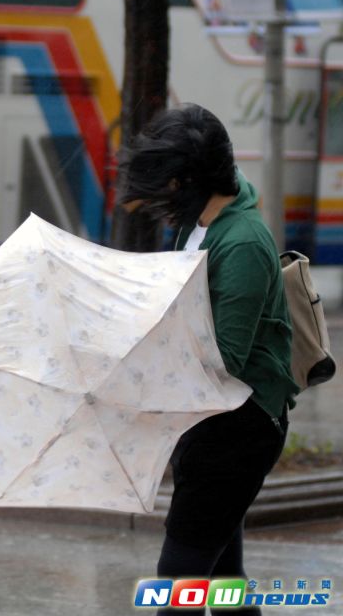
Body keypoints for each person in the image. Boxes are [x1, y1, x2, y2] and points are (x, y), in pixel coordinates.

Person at [121, 104, 298, 615]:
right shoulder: (201, 222)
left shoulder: (242, 244)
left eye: (167, 183)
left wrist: (144, 372)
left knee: (178, 581)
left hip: (238, 429)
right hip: (208, 419)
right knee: (223, 581)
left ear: (188, 180)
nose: (161, 197)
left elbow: (226, 360)